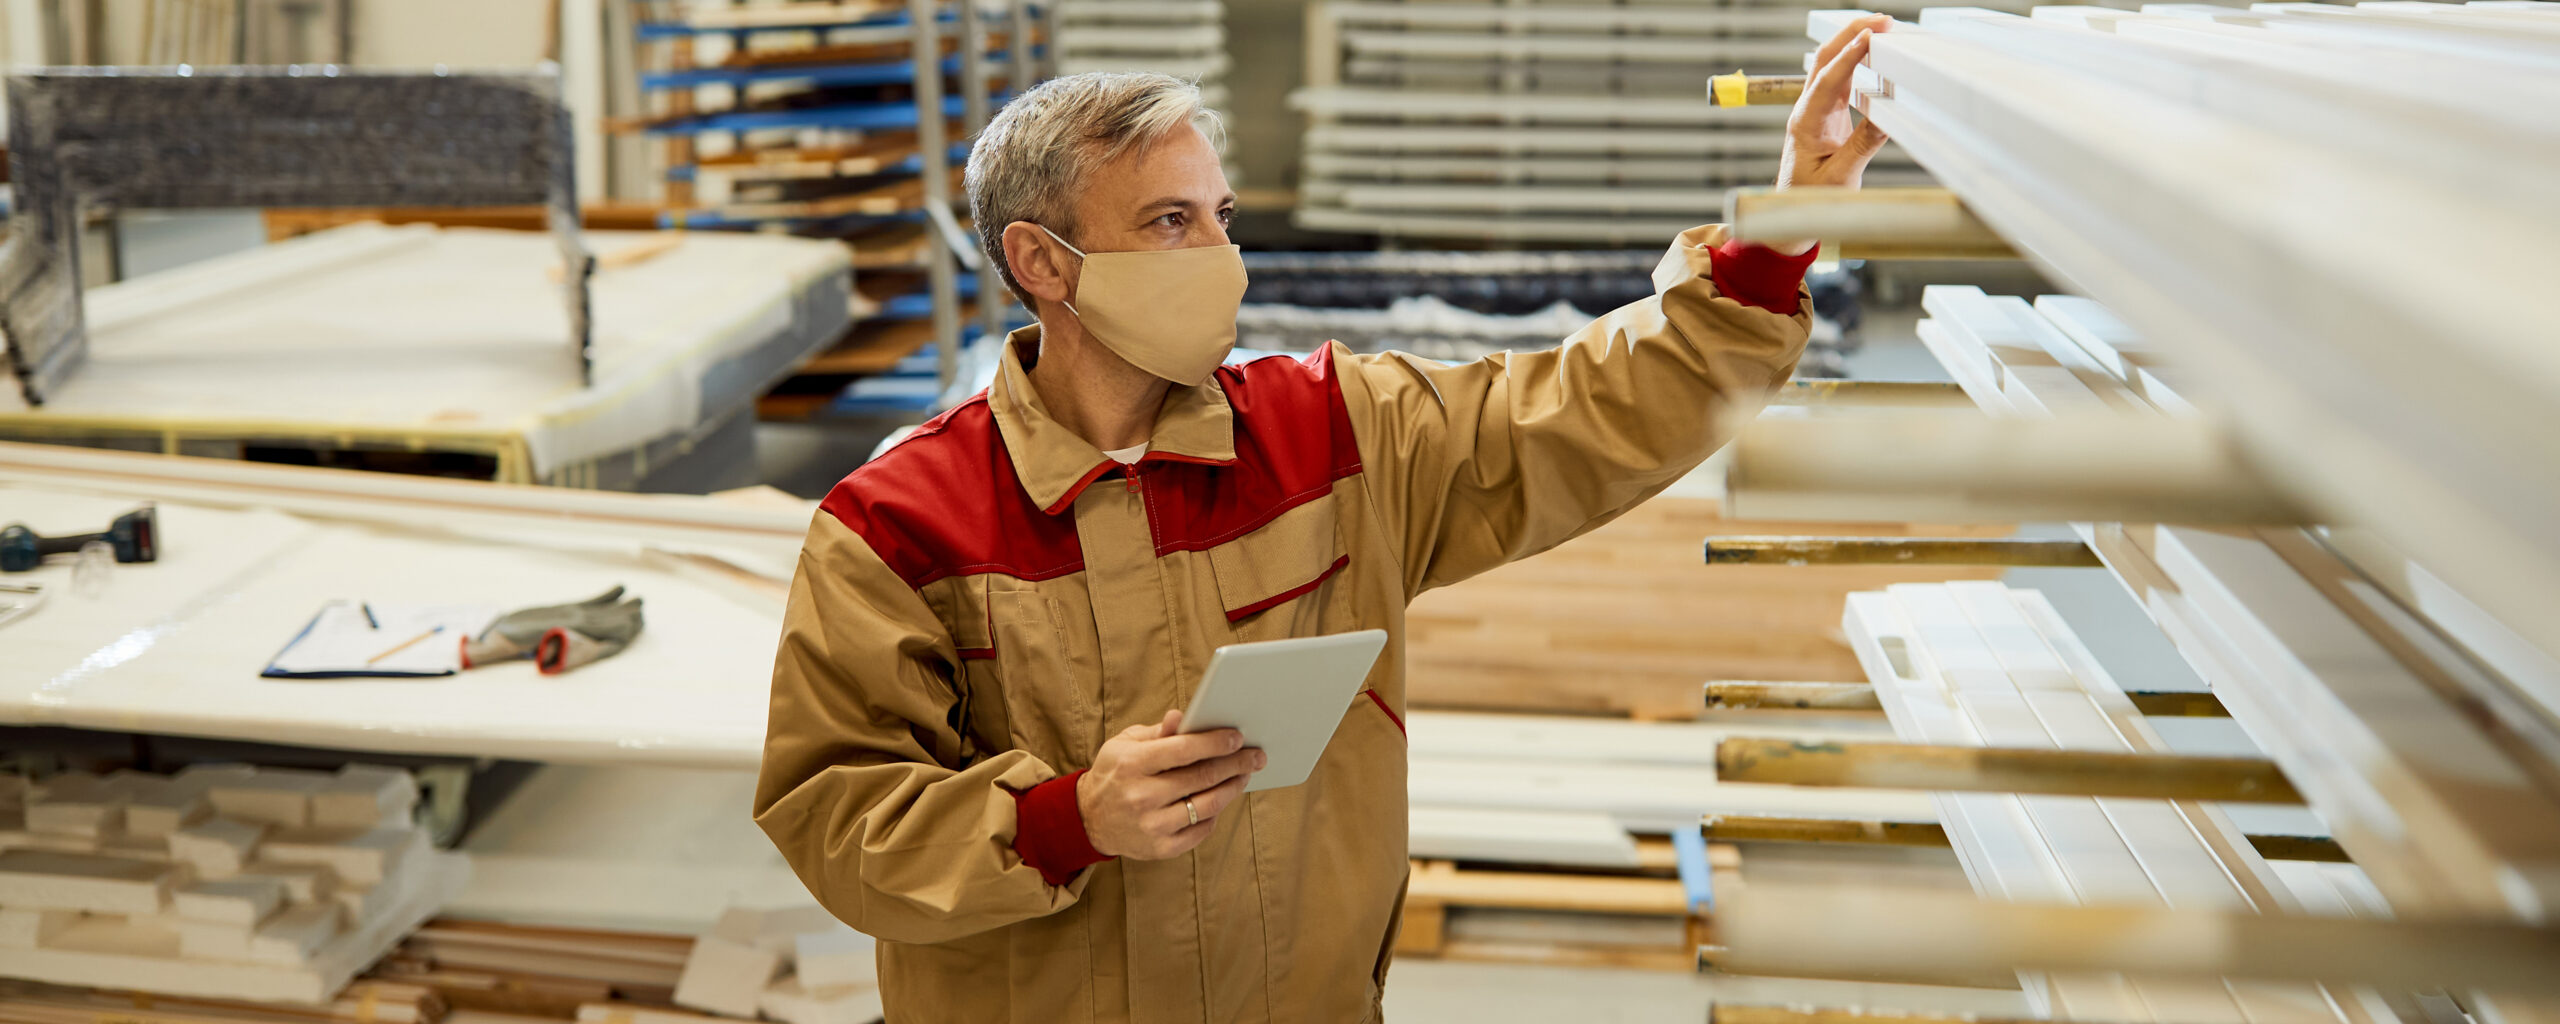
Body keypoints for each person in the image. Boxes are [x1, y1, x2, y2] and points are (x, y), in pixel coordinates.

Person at [756, 16, 1895, 1022]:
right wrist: (1066, 819)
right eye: (1166, 222)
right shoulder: (896, 521)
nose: (1220, 258)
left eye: (1221, 215)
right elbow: (839, 816)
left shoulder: (1337, 430)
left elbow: (1595, 407)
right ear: (1040, 261)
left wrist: (1788, 213)